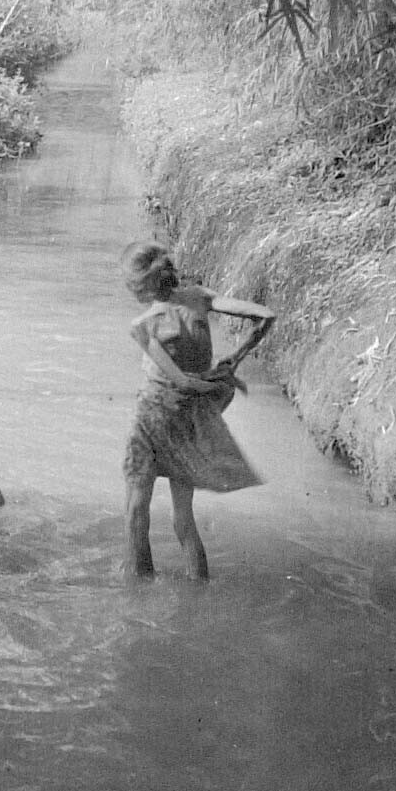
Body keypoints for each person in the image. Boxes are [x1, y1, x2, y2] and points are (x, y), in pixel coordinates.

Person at [120, 241, 275, 580]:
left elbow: (180, 381)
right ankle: (198, 587)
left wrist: (205, 385)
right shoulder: (200, 297)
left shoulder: (143, 324)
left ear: (140, 284)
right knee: (183, 520)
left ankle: (135, 589)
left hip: (152, 417)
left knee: (136, 511)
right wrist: (232, 363)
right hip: (189, 419)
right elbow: (266, 316)